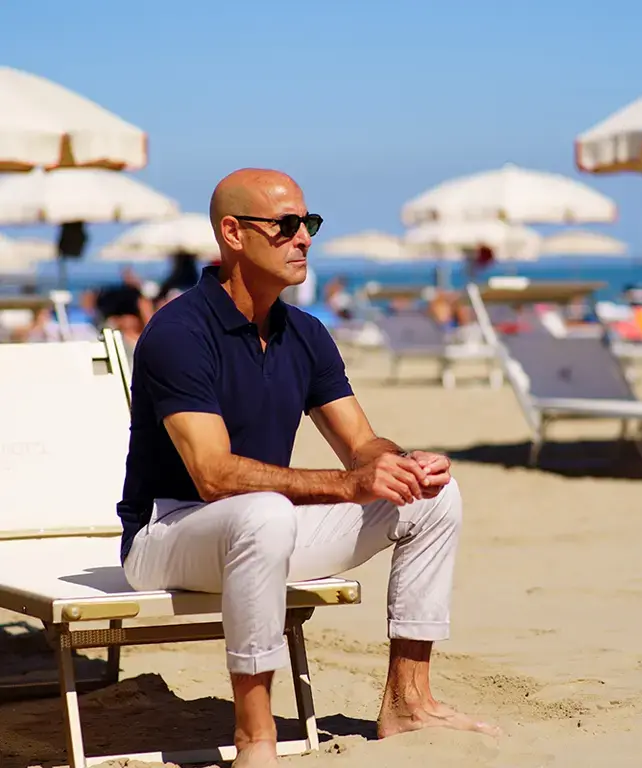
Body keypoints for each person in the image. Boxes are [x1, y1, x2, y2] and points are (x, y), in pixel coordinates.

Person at [117, 168, 500, 767]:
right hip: (167, 534)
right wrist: (348, 485)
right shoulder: (178, 331)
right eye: (288, 225)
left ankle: (408, 701)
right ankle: (255, 739)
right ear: (233, 234)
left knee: (431, 497)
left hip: (263, 530)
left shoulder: (305, 333)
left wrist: (400, 465)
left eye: (310, 224)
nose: (305, 239)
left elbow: (362, 444)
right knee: (265, 514)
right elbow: (213, 475)